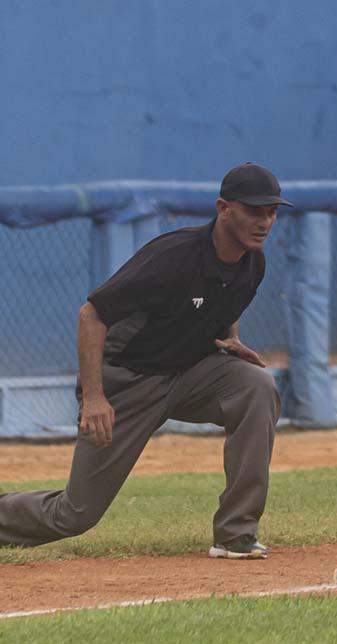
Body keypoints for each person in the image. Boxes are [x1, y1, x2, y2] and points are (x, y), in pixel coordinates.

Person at [0, 162, 291, 560]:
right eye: (255, 211)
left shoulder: (252, 262)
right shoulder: (173, 257)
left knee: (257, 385)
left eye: (272, 212)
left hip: (189, 374)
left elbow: (226, 298)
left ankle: (236, 533)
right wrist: (95, 397)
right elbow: (92, 315)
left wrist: (233, 338)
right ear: (224, 208)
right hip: (127, 383)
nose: (266, 221)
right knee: (74, 514)